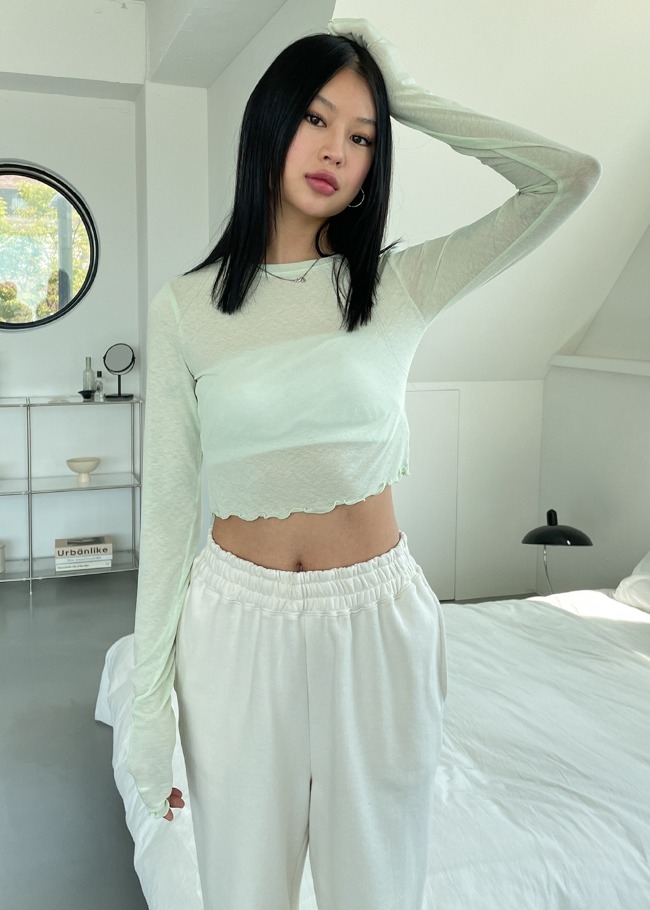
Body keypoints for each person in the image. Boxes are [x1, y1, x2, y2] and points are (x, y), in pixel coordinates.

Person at [126, 17, 600, 910]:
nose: (336, 150)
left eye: (363, 136)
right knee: (243, 892)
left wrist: (401, 93)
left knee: (377, 890)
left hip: (376, 620)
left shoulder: (400, 285)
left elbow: (568, 177)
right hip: (236, 627)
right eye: (316, 119)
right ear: (270, 122)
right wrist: (148, 709)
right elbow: (169, 510)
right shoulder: (186, 309)